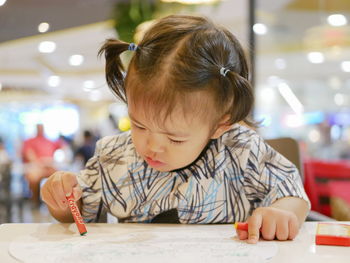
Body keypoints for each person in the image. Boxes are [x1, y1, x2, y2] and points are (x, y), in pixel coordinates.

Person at [41, 15, 310, 244]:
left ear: (220, 124)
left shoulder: (241, 150)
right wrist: (61, 200)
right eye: (139, 124)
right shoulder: (114, 156)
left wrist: (281, 213)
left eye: (175, 138)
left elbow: (293, 195)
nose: (152, 145)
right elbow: (77, 215)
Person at [22, 124, 62, 206]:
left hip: (49, 166)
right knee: (33, 178)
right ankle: (35, 201)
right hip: (36, 166)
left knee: (60, 177)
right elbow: (29, 154)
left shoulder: (49, 141)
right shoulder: (29, 141)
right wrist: (39, 163)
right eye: (39, 128)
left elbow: (62, 147)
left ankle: (55, 202)